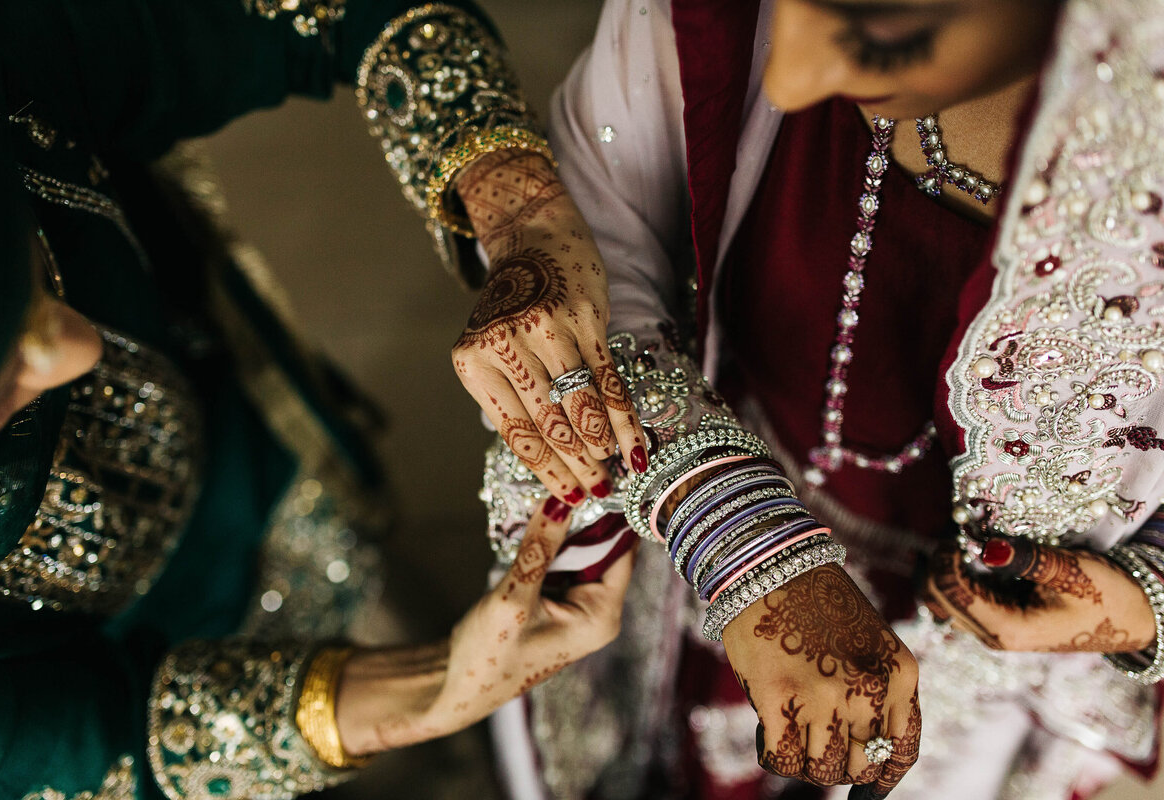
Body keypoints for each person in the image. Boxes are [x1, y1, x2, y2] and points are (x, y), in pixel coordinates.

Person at [481, 0, 1164, 798]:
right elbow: (594, 241)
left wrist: (1147, 592)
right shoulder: (738, 29)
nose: (790, 75)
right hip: (696, 565)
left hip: (1005, 690)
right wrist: (736, 535)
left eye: (879, 27)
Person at [0, 2, 638, 797]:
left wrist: (521, 212)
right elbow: (82, 742)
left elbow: (340, 13)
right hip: (130, 710)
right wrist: (427, 694)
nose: (80, 351)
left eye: (37, 275)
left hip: (261, 459)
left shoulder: (0, 54)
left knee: (397, 601)